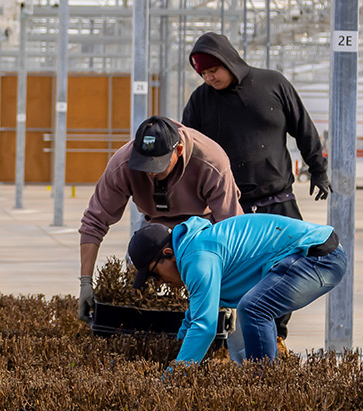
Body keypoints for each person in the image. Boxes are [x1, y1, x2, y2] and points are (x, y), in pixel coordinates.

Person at [77, 116, 242, 322]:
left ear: (178, 150)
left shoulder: (211, 161)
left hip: (202, 231)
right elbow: (94, 221)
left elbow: (232, 230)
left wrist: (229, 291)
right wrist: (85, 282)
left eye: (158, 166)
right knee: (138, 303)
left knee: (217, 314)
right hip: (152, 227)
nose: (150, 172)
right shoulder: (122, 164)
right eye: (143, 165)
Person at [126, 214, 344, 366]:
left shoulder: (198, 258)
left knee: (253, 309)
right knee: (246, 318)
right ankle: (260, 382)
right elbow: (194, 318)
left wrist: (172, 380)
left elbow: (204, 327)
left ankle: (266, 387)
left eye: (154, 275)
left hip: (320, 257)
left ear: (167, 253)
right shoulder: (193, 247)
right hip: (313, 255)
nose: (158, 283)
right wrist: (172, 354)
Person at [181, 32, 330, 217]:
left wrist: (318, 169)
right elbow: (187, 149)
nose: (209, 78)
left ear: (228, 61)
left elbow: (303, 128)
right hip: (227, 205)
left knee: (294, 246)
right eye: (202, 73)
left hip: (278, 200)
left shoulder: (273, 84)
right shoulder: (200, 100)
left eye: (213, 70)